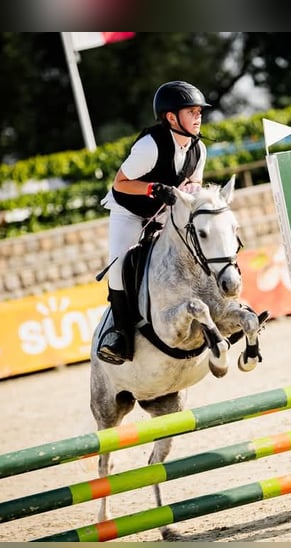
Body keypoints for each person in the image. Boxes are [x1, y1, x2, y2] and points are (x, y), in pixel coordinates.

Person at [97, 80, 211, 365]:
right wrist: (151, 188)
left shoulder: (199, 149)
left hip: (164, 211)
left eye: (200, 111)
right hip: (131, 210)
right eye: (191, 112)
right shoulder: (150, 146)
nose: (198, 117)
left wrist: (191, 189)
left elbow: (194, 181)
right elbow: (120, 183)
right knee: (120, 264)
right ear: (171, 117)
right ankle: (119, 334)